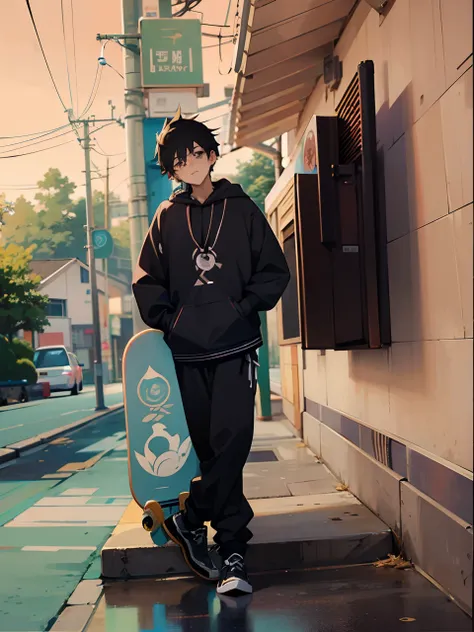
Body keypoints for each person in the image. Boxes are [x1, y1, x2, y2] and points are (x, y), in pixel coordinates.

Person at [132, 108, 290, 595]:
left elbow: (273, 270)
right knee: (206, 450)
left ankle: (192, 515)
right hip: (185, 353)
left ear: (212, 155)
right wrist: (171, 321)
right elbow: (147, 281)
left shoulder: (242, 209)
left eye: (197, 152)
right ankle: (233, 553)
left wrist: (243, 307)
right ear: (171, 169)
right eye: (179, 159)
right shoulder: (165, 217)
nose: (190, 162)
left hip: (234, 345)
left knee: (234, 441)